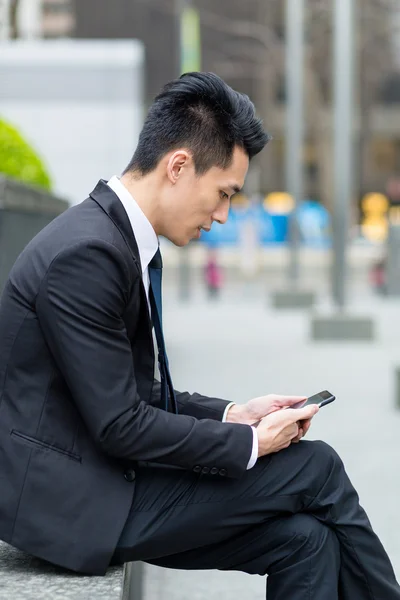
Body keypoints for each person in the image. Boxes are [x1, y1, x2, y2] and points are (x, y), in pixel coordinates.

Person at [0, 72, 398, 600]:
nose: (222, 215)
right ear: (179, 166)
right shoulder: (88, 254)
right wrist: (253, 442)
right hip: (70, 503)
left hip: (99, 478)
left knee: (306, 540)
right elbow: (120, 423)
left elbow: (135, 397)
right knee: (316, 466)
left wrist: (235, 415)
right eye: (223, 194)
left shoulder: (116, 238)